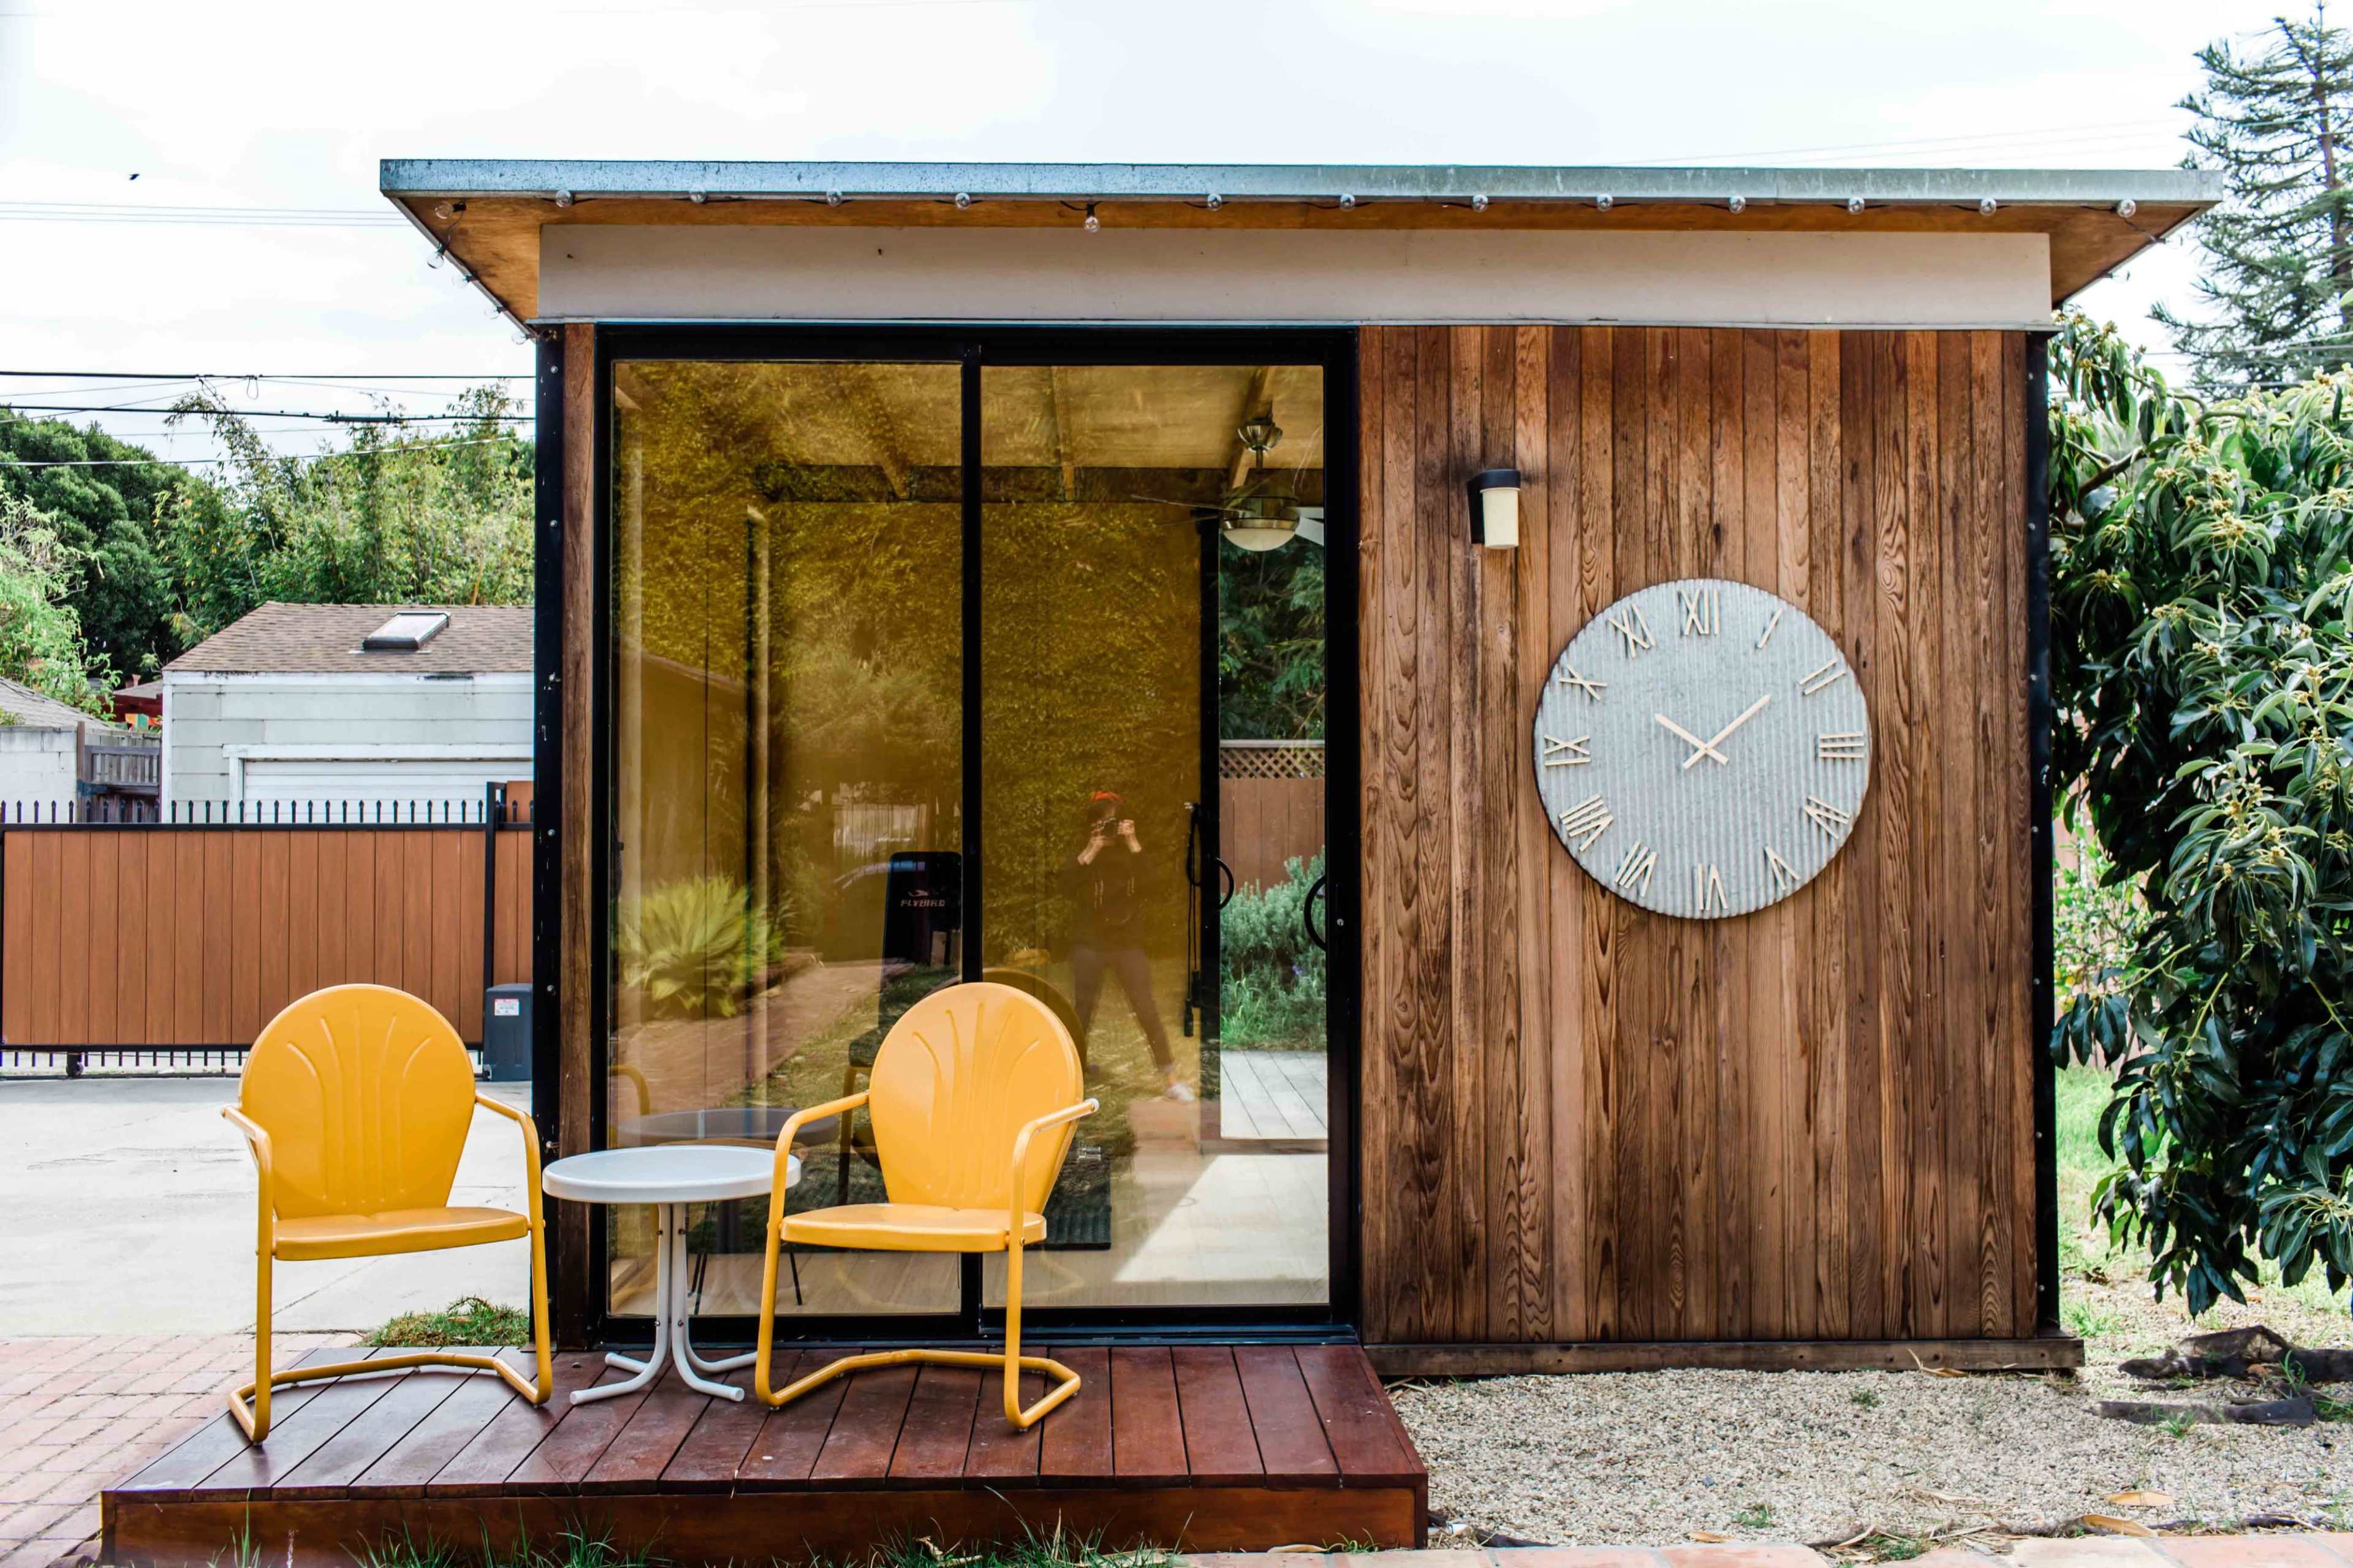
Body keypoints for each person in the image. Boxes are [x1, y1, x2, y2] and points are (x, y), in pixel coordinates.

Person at [1064, 790, 1189, 1100]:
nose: (1108, 827)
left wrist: (1134, 844)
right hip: (1090, 942)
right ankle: (1071, 1073)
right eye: (1101, 822)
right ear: (1092, 826)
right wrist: (1091, 850)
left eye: (1113, 821)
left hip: (1126, 942)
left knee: (1146, 1008)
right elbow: (1065, 887)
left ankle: (1171, 1081)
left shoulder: (1131, 855)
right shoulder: (1086, 854)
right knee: (1083, 1010)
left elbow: (1155, 886)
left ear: (1123, 823)